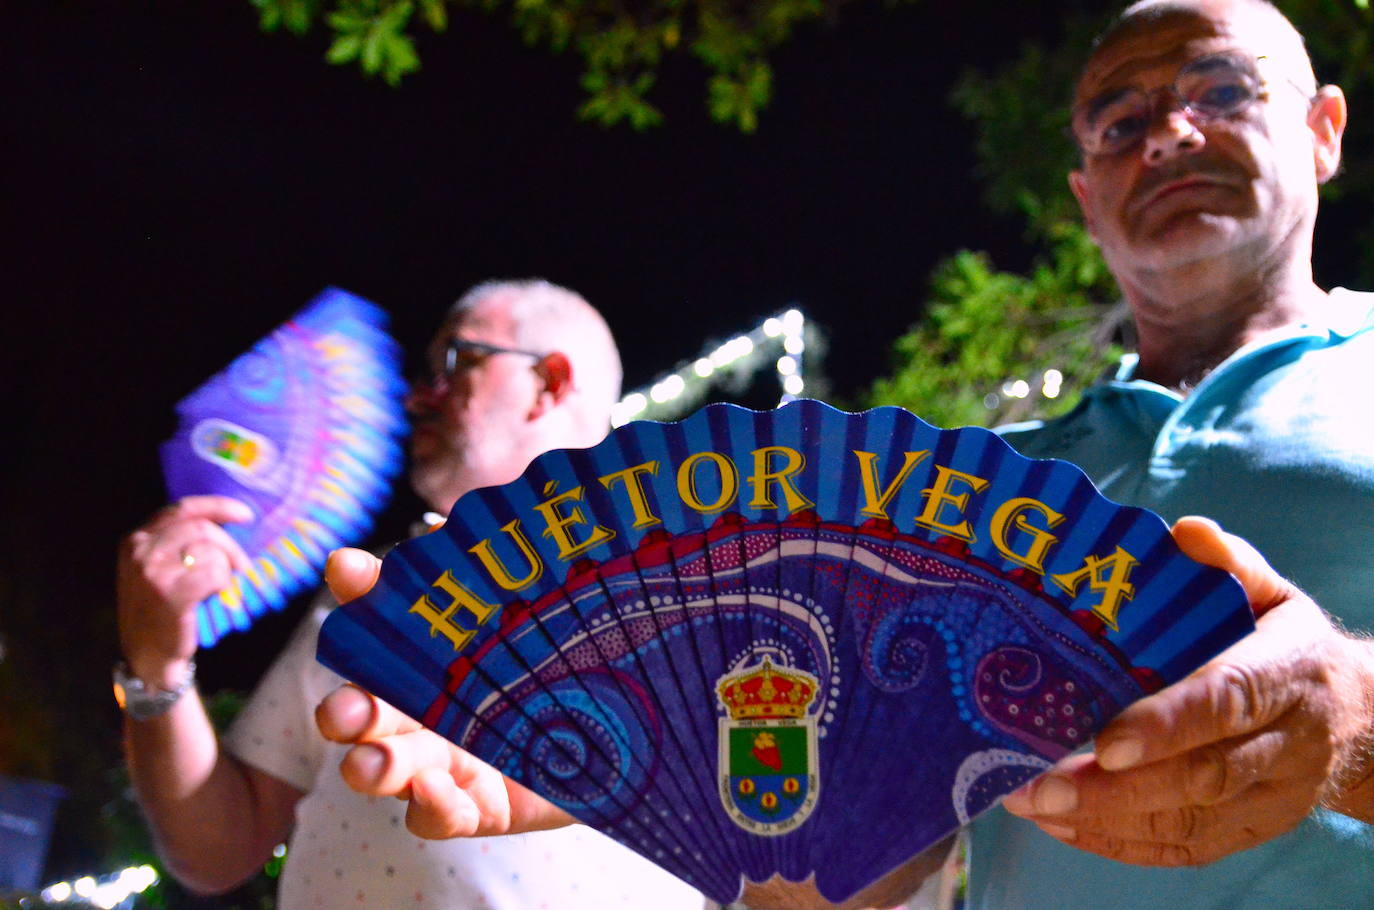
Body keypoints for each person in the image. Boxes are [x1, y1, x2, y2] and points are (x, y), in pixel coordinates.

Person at [313, 1, 1374, 908]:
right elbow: (843, 869)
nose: (1167, 135)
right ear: (1085, 197)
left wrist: (1353, 724)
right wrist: (673, 766)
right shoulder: (966, 492)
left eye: (1222, 89)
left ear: (1325, 128)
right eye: (1119, 119)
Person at [115, 279, 706, 908]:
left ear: (550, 384)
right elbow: (216, 853)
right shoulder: (366, 589)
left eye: (456, 360)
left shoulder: (695, 590)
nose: (420, 395)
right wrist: (157, 669)